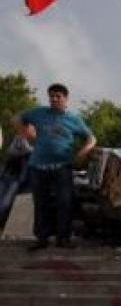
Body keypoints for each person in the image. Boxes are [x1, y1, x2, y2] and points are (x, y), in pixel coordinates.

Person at [20, 83, 95, 250]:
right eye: (51, 96)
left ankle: (63, 239)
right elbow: (17, 118)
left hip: (62, 166)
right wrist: (26, 132)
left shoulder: (73, 119)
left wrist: (83, 151)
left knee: (65, 202)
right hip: (38, 166)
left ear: (65, 99)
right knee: (41, 203)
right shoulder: (39, 113)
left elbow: (91, 138)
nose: (54, 99)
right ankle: (42, 239)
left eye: (58, 96)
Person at [0, 115, 34, 232]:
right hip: (6, 175)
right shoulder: (18, 138)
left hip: (17, 179)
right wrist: (26, 151)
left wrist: (26, 150)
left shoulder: (36, 141)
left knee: (6, 203)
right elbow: (11, 152)